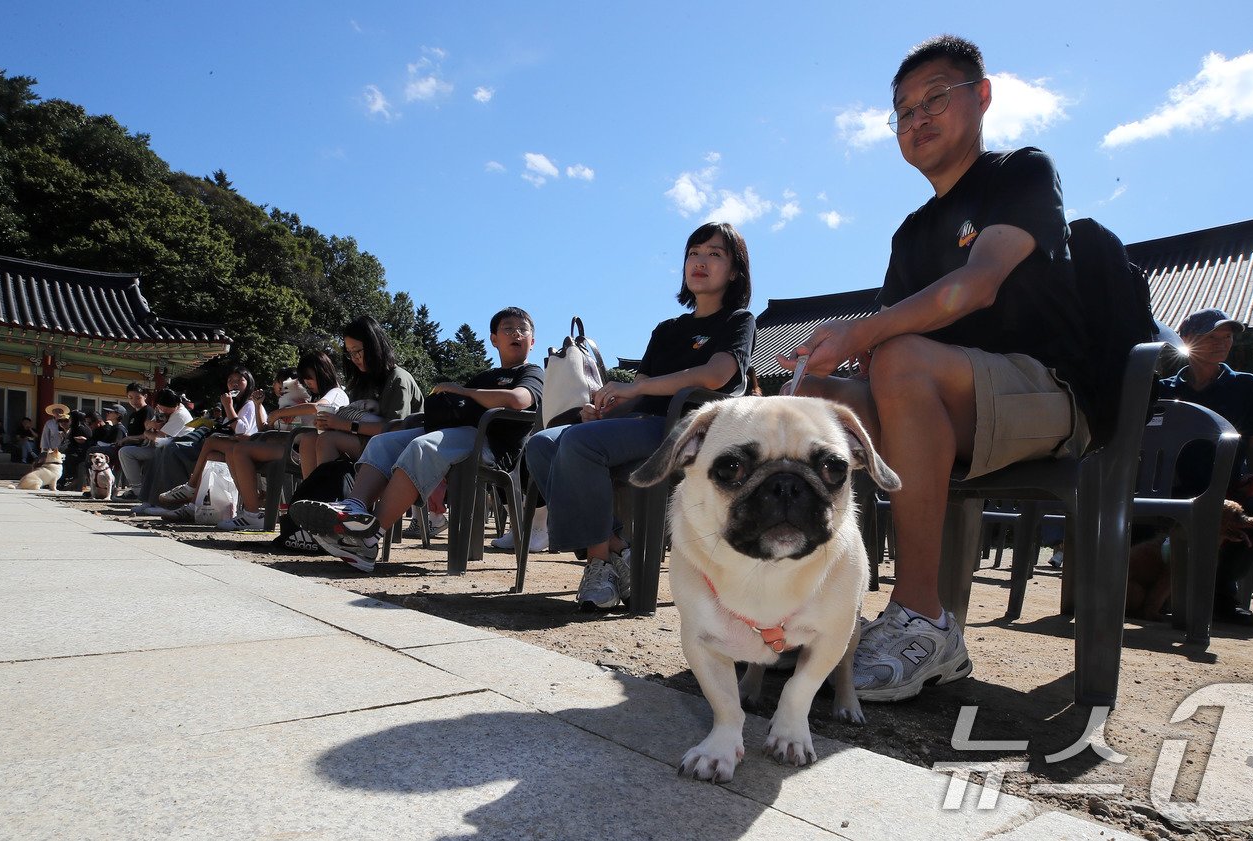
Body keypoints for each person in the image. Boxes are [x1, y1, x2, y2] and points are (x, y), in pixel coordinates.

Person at [782, 35, 1095, 702]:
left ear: (981, 97)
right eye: (902, 112)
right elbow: (880, 347)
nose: (915, 120)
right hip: (944, 394)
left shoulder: (1021, 172)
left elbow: (977, 285)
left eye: (934, 100)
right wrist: (820, 357)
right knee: (807, 398)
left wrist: (866, 335)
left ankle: (924, 616)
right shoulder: (909, 234)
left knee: (900, 358)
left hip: (1041, 388)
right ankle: (820, 601)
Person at [526, 222, 756, 611]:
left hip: (690, 429)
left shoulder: (738, 321)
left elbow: (717, 375)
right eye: (694, 253)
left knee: (579, 444)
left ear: (734, 271)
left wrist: (634, 389)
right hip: (644, 425)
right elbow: (641, 394)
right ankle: (618, 550)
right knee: (542, 443)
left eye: (715, 254)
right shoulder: (666, 330)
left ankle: (601, 562)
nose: (700, 262)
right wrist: (606, 409)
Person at [288, 307, 543, 572]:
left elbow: (518, 400)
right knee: (383, 442)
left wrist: (462, 391)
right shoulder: (484, 377)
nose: (516, 333)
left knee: (422, 447)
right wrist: (403, 423)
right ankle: (353, 508)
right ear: (494, 339)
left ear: (532, 341)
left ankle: (369, 537)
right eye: (508, 328)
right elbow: (456, 411)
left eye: (522, 329)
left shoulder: (531, 373)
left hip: (488, 444)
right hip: (454, 435)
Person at [1158, 308, 1253, 626]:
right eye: (1212, 337)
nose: (1221, 343)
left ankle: (1219, 594)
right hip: (1169, 486)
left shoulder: (1249, 387)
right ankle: (1147, 591)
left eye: (1227, 337)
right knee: (1129, 515)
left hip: (1225, 488)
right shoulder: (1163, 389)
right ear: (1186, 340)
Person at [219, 351, 348, 531]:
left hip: (302, 450)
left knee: (240, 450)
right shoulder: (321, 394)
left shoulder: (335, 392)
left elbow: (316, 408)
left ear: (321, 372)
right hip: (297, 446)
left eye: (309, 378)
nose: (307, 383)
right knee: (234, 451)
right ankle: (250, 509)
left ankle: (252, 513)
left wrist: (281, 413)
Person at [302, 315, 424, 474]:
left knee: (327, 440)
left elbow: (395, 430)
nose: (354, 358)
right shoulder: (362, 382)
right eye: (350, 353)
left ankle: (326, 494)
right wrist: (327, 423)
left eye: (358, 351)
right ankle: (308, 495)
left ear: (374, 346)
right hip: (367, 442)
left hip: (398, 451)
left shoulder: (398, 379)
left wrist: (341, 424)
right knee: (308, 439)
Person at [155, 367, 264, 511]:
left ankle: (190, 486)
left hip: (246, 447)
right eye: (230, 381)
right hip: (235, 447)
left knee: (209, 442)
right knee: (211, 456)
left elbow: (241, 429)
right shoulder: (239, 404)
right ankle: (193, 506)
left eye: (240, 380)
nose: (234, 384)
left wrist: (227, 406)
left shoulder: (249, 404)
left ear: (249, 383)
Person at [117, 389, 193, 499]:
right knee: (125, 452)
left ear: (176, 405)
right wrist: (150, 426)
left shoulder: (180, 415)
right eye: (161, 407)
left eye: (166, 409)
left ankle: (143, 493)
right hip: (159, 448)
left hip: (175, 452)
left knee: (135, 455)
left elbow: (160, 438)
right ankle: (137, 489)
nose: (163, 410)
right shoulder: (160, 410)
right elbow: (148, 425)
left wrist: (148, 432)